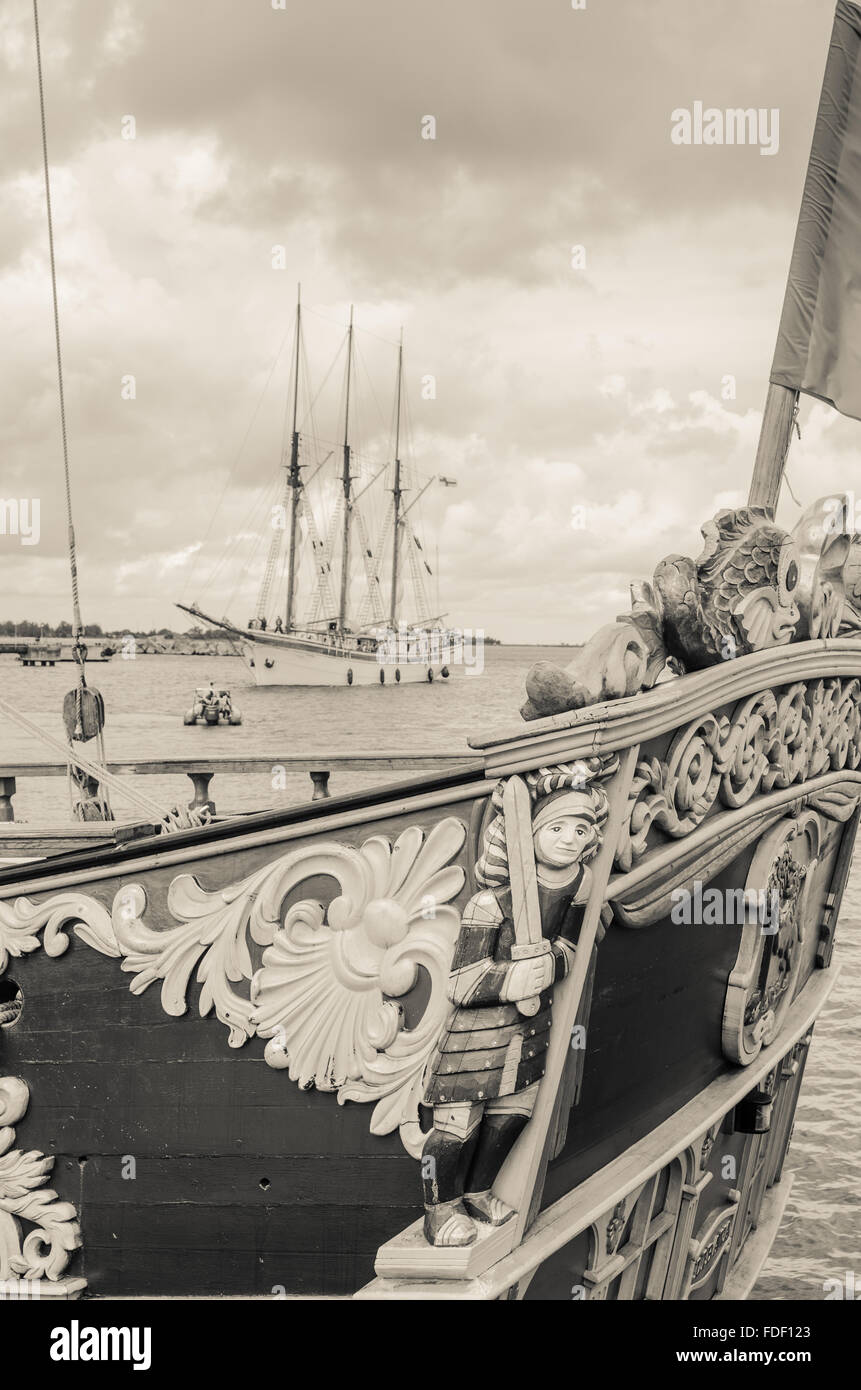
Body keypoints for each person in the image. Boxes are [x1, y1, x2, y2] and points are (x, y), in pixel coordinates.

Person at [420, 765, 609, 1247]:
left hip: (529, 1027)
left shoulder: (580, 886)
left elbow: (570, 944)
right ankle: (438, 1209)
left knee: (512, 1114)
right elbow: (462, 981)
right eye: (557, 828)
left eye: (581, 829)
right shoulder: (489, 904)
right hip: (476, 1032)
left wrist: (554, 963)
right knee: (459, 1123)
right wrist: (512, 977)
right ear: (528, 835)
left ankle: (480, 1190)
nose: (570, 839)